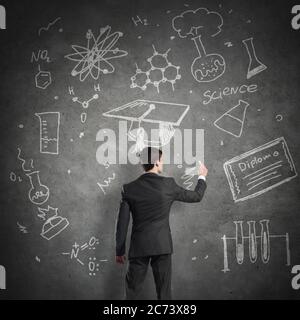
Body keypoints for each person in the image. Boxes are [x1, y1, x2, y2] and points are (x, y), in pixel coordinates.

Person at [115, 147, 207, 300]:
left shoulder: (129, 189)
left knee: (132, 294)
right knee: (164, 295)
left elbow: (122, 224)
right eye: (162, 160)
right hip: (162, 245)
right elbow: (196, 196)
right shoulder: (168, 184)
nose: (162, 163)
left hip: (139, 247)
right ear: (156, 162)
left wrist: (119, 250)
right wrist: (202, 177)